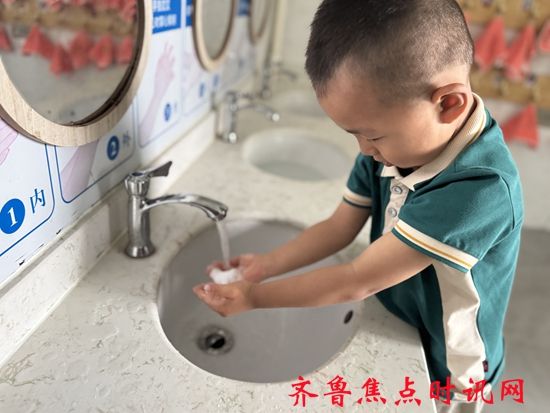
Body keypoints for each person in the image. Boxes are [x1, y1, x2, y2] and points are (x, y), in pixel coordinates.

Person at [193, 1, 524, 411]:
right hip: (398, 320)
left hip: (449, 361)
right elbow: (338, 227)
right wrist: (266, 265)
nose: (364, 150)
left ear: (448, 104)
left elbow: (357, 278)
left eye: (372, 135)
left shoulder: (478, 190)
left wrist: (254, 297)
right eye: (355, 135)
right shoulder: (389, 148)